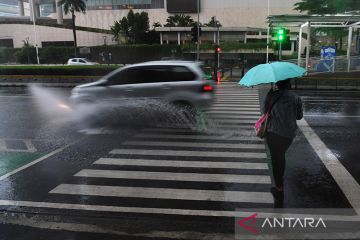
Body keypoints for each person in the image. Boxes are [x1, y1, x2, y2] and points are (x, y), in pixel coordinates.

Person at [263, 79, 303, 204]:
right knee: (281, 156)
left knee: (276, 159)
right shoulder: (295, 97)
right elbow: (299, 116)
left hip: (273, 132)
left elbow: (265, 112)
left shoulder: (271, 96)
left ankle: (279, 188)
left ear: (277, 84)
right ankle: (280, 185)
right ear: (288, 84)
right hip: (289, 134)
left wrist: (270, 94)